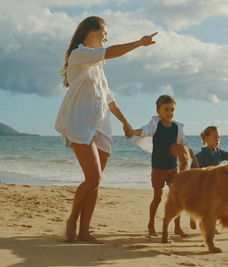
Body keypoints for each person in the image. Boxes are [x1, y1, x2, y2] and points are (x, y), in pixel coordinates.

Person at [54, 16, 157, 243]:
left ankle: (84, 230)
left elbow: (110, 100)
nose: (106, 37)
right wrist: (139, 43)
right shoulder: (79, 54)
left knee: (96, 181)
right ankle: (72, 221)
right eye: (104, 32)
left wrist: (125, 123)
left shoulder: (98, 68)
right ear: (92, 30)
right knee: (93, 178)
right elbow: (111, 51)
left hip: (100, 126)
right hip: (80, 123)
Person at [131, 94, 200, 237]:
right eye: (166, 109)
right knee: (158, 197)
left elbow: (185, 143)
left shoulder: (176, 127)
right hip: (158, 169)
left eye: (172, 110)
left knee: (177, 197)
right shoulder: (155, 125)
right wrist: (132, 131)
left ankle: (177, 227)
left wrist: (194, 158)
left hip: (172, 169)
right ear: (158, 111)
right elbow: (144, 131)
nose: (169, 113)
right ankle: (151, 224)